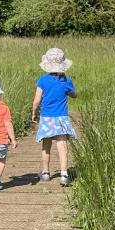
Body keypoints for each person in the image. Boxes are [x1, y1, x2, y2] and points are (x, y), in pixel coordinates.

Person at [31, 48, 76, 185]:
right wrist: (70, 92)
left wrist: (33, 112)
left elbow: (37, 99)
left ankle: (45, 172)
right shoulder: (66, 80)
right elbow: (74, 94)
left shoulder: (43, 80)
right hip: (61, 117)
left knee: (46, 144)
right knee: (62, 145)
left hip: (47, 118)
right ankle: (64, 174)